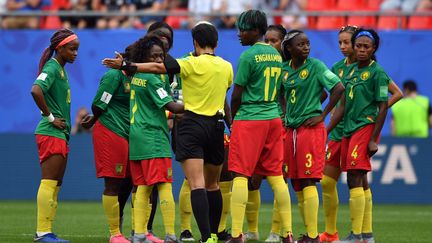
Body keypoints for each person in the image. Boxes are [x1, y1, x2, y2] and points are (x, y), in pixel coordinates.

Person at [103, 21, 234, 243]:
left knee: (196, 184)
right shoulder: (227, 67)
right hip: (216, 126)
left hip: (191, 124)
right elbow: (224, 95)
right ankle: (214, 233)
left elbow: (157, 68)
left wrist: (127, 65)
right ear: (217, 43)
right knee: (214, 185)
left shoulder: (189, 63)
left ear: (195, 42)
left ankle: (205, 237)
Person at [320, 25, 403, 243]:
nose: (345, 47)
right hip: (344, 130)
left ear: (372, 48)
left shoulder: (376, 71)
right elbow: (342, 104)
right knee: (352, 179)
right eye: (342, 43)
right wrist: (323, 128)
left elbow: (388, 100)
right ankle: (362, 234)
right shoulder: (342, 69)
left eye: (348, 42)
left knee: (356, 177)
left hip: (362, 128)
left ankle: (358, 234)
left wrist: (373, 126)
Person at [227, 10, 293, 243]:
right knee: (276, 176)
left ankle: (236, 234)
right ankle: (287, 233)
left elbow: (237, 95)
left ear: (256, 31)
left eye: (243, 29)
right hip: (273, 119)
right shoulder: (276, 54)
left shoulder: (248, 56)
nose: (239, 34)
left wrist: (233, 121)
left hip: (250, 118)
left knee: (240, 175)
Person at [281, 29, 345, 243]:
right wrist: (284, 114)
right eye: (301, 44)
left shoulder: (316, 66)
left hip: (310, 130)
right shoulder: (284, 70)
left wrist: (322, 114)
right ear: (289, 48)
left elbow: (338, 87)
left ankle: (312, 235)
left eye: (308, 43)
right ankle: (309, 233)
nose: (306, 47)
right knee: (296, 182)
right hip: (291, 131)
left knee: (308, 179)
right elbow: (281, 95)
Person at [126, 36, 185, 243]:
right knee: (165, 185)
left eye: (162, 56)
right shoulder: (152, 78)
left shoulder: (137, 77)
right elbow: (172, 106)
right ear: (144, 58)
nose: (160, 60)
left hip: (137, 136)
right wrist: (198, 105)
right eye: (155, 56)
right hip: (153, 136)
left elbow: (155, 107)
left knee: (143, 187)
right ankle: (170, 235)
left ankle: (139, 234)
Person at [80, 41, 135, 243]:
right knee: (113, 182)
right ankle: (114, 233)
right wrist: (94, 118)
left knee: (132, 182)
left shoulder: (135, 77)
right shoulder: (113, 75)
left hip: (129, 133)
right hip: (112, 130)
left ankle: (133, 230)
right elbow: (99, 103)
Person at [30, 28, 79, 243]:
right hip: (51, 132)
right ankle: (42, 232)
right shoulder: (52, 67)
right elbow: (35, 90)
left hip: (60, 133)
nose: (75, 53)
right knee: (49, 182)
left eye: (77, 49)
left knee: (56, 183)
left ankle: (47, 231)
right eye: (72, 49)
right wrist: (50, 118)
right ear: (60, 48)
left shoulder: (60, 68)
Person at [241, 24, 287, 243]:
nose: (270, 44)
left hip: (273, 124)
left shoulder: (288, 66)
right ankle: (252, 229)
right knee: (254, 180)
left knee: (278, 177)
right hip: (270, 122)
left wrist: (289, 114)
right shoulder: (273, 62)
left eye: (274, 41)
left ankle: (277, 231)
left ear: (283, 43)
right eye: (267, 40)